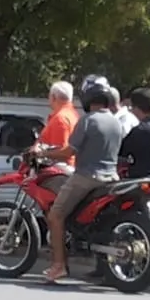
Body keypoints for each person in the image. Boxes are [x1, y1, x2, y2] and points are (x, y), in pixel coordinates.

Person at [37, 76, 123, 283]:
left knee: (56, 215)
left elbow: (69, 151)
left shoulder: (88, 120)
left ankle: (58, 266)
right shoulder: (115, 121)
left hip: (87, 177)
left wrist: (44, 154)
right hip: (111, 177)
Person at [36, 81, 79, 153]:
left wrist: (39, 153)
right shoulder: (74, 115)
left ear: (53, 97)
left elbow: (59, 152)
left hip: (57, 164)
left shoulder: (60, 119)